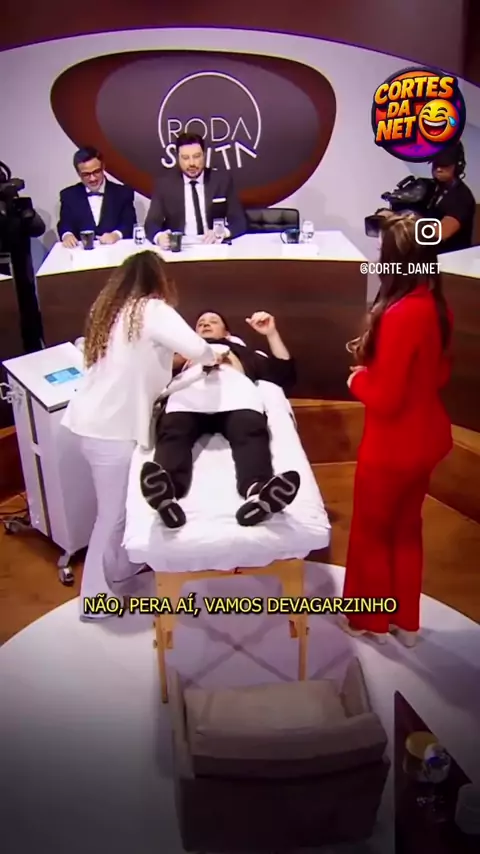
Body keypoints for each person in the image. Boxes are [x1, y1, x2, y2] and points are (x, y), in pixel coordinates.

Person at [61, 251, 220, 618]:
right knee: (111, 516)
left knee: (117, 512)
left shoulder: (110, 311)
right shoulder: (151, 310)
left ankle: (120, 569)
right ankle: (94, 599)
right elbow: (198, 348)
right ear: (159, 280)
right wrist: (212, 357)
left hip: (93, 423)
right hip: (111, 430)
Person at [341, 213, 453, 647]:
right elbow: (439, 375)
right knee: (407, 529)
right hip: (428, 439)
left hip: (392, 446)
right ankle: (405, 621)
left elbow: (386, 398)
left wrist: (357, 379)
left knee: (370, 533)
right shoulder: (437, 306)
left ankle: (368, 620)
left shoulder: (400, 314)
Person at [140, 310, 300, 528]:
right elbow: (148, 378)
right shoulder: (183, 355)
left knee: (250, 433)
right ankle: (167, 493)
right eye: (200, 323)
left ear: (227, 334)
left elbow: (284, 375)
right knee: (174, 432)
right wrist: (179, 357)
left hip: (235, 397)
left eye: (213, 321)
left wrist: (271, 334)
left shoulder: (241, 352)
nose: (205, 325)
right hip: (189, 397)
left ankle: (257, 492)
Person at [144, 133, 247, 248]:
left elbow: (239, 221)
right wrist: (159, 237)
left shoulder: (222, 180)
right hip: (180, 249)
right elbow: (151, 223)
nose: (192, 163)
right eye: (185, 158)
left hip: (214, 246)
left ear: (204, 155)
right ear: (178, 158)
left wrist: (221, 232)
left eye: (197, 156)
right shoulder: (165, 184)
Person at [57, 147, 136, 248]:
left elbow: (129, 222)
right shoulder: (68, 195)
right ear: (78, 174)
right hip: (81, 254)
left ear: (103, 167)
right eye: (86, 174)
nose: (92, 178)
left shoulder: (123, 193)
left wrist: (116, 235)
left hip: (116, 251)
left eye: (96, 172)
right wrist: (67, 235)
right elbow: (64, 224)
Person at [426, 141, 476, 254]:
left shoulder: (461, 196)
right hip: (432, 257)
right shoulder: (433, 189)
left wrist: (406, 225)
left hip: (452, 260)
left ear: (458, 166)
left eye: (444, 165)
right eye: (435, 164)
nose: (438, 169)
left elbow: (441, 233)